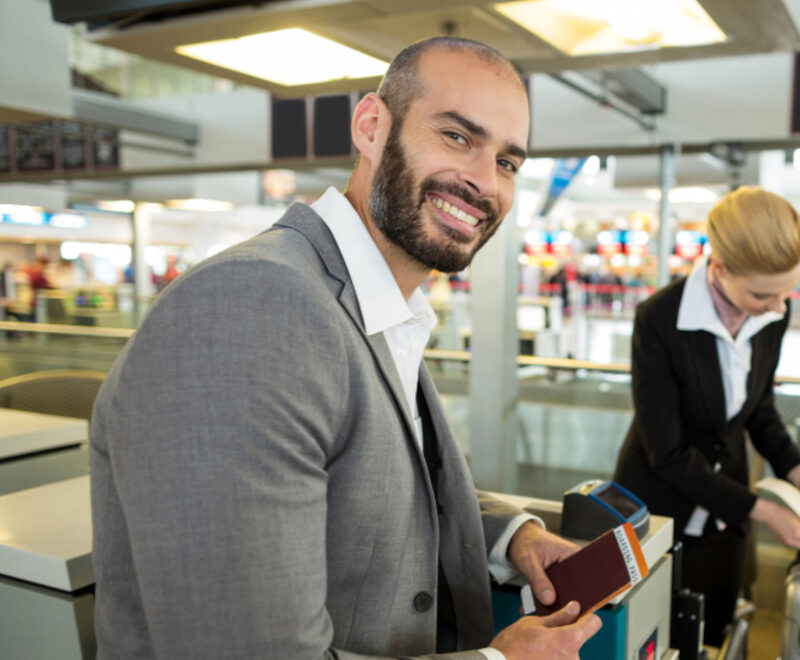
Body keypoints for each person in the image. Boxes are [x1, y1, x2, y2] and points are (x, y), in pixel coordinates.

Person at [90, 37, 601, 660]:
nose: (483, 182)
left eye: (508, 162)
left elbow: (376, 479)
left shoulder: (374, 305)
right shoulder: (253, 306)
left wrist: (509, 535)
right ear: (371, 127)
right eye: (458, 137)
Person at [612, 186, 800, 646]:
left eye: (786, 293)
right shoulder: (659, 320)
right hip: (658, 512)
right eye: (764, 294)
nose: (778, 308)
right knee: (654, 638)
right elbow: (668, 453)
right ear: (718, 268)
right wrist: (765, 513)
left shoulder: (772, 310)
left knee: (714, 630)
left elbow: (759, 410)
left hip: (725, 515)